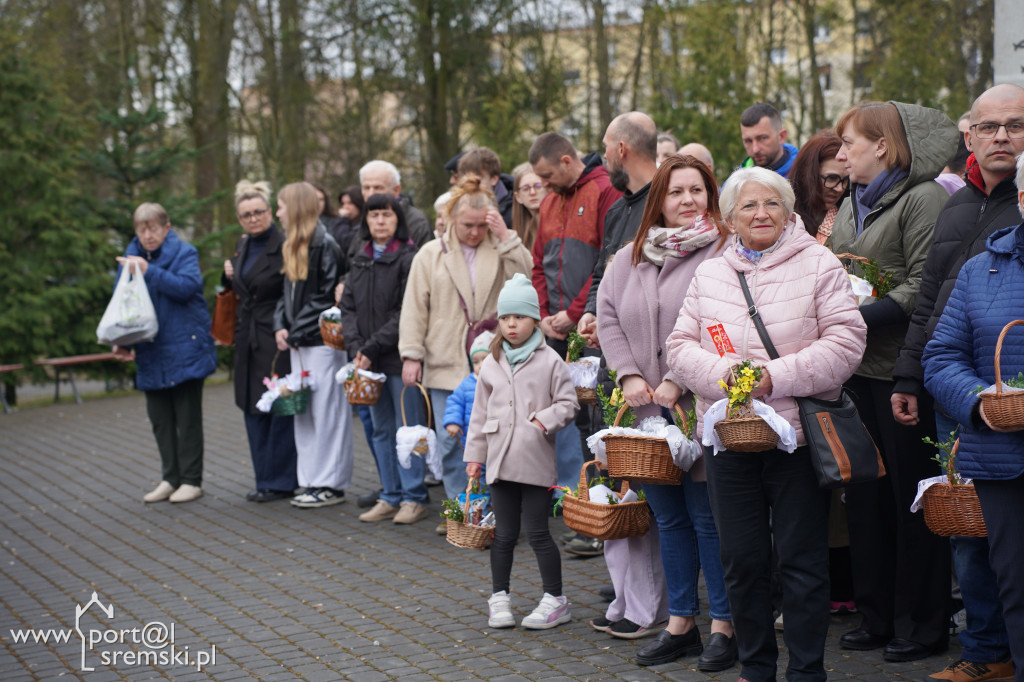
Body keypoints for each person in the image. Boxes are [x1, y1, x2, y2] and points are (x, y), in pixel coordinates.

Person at [667, 166, 868, 682]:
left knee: (802, 563)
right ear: (730, 218)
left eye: (772, 204)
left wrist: (769, 378)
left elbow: (846, 344)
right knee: (742, 561)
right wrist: (726, 375)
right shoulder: (711, 273)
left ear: (788, 210)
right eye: (749, 207)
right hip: (729, 439)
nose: (761, 214)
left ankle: (806, 672)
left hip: (796, 440)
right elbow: (679, 348)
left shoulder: (819, 264)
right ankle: (755, 669)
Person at [893, 83, 1024, 682]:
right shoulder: (957, 203)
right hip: (964, 401)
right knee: (967, 532)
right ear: (969, 135)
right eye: (991, 126)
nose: (1002, 137)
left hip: (999, 395)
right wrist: (910, 373)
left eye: (1015, 126)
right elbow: (929, 301)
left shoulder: (1011, 207)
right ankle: (985, 651)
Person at [825, 101, 958, 662]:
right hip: (854, 371)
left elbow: (927, 284)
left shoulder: (923, 197)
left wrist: (857, 315)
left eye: (849, 143)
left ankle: (922, 625)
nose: (840, 154)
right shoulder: (854, 201)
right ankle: (876, 615)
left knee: (910, 500)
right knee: (866, 500)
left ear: (882, 145)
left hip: (901, 371)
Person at [597, 154, 735, 669]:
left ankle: (724, 625)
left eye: (697, 190)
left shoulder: (723, 251)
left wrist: (678, 380)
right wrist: (629, 374)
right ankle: (682, 623)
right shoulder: (630, 255)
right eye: (676, 192)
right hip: (646, 414)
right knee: (670, 518)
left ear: (710, 194)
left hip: (698, 405)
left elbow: (719, 322)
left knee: (706, 519)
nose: (687, 201)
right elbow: (607, 315)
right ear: (659, 199)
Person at [922, 152, 1024, 682]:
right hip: (1003, 457)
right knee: (1016, 585)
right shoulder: (981, 269)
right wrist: (981, 400)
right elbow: (940, 358)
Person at [398, 174, 533, 532]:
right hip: (444, 358)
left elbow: (527, 280)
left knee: (499, 438)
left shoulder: (498, 246)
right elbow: (415, 307)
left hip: (492, 358)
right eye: (466, 225)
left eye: (479, 225)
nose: (474, 233)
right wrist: (411, 355)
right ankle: (460, 510)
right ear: (451, 219)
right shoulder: (430, 254)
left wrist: (506, 238)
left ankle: (499, 511)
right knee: (450, 436)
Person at [464, 273, 579, 631]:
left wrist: (543, 422)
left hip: (534, 462)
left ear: (535, 320)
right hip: (498, 462)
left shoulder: (550, 362)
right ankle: (500, 597)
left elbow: (568, 403)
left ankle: (555, 599)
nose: (512, 324)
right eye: (505, 318)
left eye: (520, 317)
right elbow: (479, 414)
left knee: (539, 533)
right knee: (503, 535)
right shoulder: (492, 363)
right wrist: (474, 456)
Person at [528, 131, 622, 519]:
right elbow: (539, 263)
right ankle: (582, 504)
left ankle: (606, 508)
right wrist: (546, 313)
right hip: (558, 333)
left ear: (567, 161)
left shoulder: (603, 192)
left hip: (590, 329)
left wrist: (577, 311)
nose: (543, 186)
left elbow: (606, 263)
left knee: (598, 420)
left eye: (548, 176)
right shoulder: (550, 203)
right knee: (572, 419)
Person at [112, 202, 218, 504]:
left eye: (153, 229)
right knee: (160, 419)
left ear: (166, 228)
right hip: (150, 352)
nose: (148, 235)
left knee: (187, 418)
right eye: (142, 230)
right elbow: (122, 304)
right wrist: (121, 340)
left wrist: (149, 271)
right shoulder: (128, 259)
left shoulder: (185, 253)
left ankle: (191, 480)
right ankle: (170, 478)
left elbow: (187, 287)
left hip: (185, 348)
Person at [340, 193, 429, 525]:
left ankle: (414, 497)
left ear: (398, 219)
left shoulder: (408, 257)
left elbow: (405, 311)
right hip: (368, 361)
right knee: (380, 429)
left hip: (399, 357)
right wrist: (356, 347)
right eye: (373, 214)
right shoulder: (360, 258)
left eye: (386, 215)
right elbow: (347, 307)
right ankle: (390, 495)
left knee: (409, 429)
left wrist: (372, 347)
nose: (379, 221)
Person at [273, 181, 353, 508]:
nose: (277, 212)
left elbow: (323, 298)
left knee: (327, 411)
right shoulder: (293, 244)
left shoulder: (325, 244)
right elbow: (286, 295)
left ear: (295, 208)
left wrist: (294, 330)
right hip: (299, 342)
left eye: (280, 206)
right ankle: (309, 479)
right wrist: (281, 325)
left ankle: (330, 483)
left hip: (322, 343)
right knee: (302, 411)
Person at [222, 180, 298, 503]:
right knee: (252, 407)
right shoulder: (241, 246)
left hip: (274, 334)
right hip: (247, 337)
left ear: (270, 212)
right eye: (245, 215)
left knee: (278, 406)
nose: (253, 219)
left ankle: (281, 480)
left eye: (258, 212)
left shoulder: (284, 245)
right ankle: (263, 477)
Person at [578, 112, 658, 346]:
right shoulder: (615, 211)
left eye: (606, 146)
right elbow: (602, 274)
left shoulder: (667, 205)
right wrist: (591, 311)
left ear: (621, 149)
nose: (604, 155)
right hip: (614, 354)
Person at [356, 160, 434, 252]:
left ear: (396, 190)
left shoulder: (418, 224)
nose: (370, 194)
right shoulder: (364, 219)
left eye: (378, 188)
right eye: (366, 188)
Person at [789, 130, 848, 243]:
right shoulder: (781, 217)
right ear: (806, 173)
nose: (840, 188)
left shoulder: (850, 220)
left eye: (846, 180)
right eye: (831, 178)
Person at [443, 331, 494, 449]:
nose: (480, 366)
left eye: (485, 360)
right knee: (475, 467)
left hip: (498, 441)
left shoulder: (503, 381)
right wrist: (453, 421)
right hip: (473, 442)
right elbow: (455, 402)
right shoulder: (467, 384)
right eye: (476, 362)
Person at [457, 148, 514, 229]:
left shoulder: (513, 212)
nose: (472, 182)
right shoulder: (455, 207)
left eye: (478, 177)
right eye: (467, 177)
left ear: (494, 179)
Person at [739, 102, 799, 178]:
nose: (755, 149)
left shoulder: (807, 177)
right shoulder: (735, 184)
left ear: (781, 136)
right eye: (748, 141)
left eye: (762, 138)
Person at [511, 163, 546, 251]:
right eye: (525, 188)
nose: (532, 192)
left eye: (538, 186)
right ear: (518, 197)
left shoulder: (560, 223)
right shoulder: (518, 232)